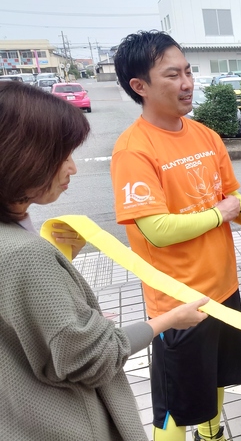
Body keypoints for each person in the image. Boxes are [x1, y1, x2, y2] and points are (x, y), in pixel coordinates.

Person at [0, 81, 210, 440]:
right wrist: (171, 319)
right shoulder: (25, 255)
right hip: (70, 424)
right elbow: (90, 358)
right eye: (62, 155)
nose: (73, 168)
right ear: (23, 157)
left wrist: (65, 282)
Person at [111, 30, 241, 441]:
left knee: (216, 378)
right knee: (174, 405)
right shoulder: (134, 150)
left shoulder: (204, 135)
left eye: (189, 71)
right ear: (139, 86)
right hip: (178, 304)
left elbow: (228, 194)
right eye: (172, 75)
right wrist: (222, 214)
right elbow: (157, 230)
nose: (187, 83)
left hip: (223, 287)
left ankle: (213, 436)